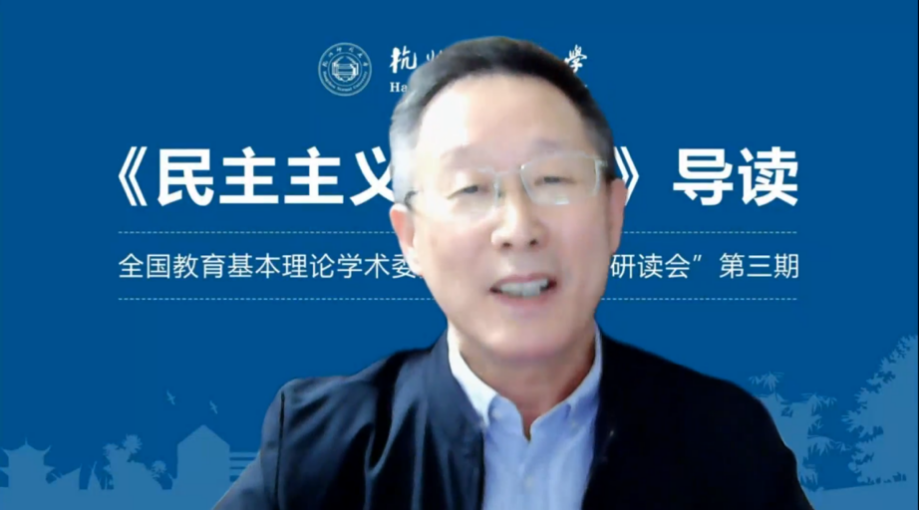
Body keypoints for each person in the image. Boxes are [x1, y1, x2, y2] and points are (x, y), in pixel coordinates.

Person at [214, 36, 814, 510]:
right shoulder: (319, 447)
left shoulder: (726, 441)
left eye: (553, 180)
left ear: (613, 214)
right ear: (410, 238)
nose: (518, 227)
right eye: (471, 188)